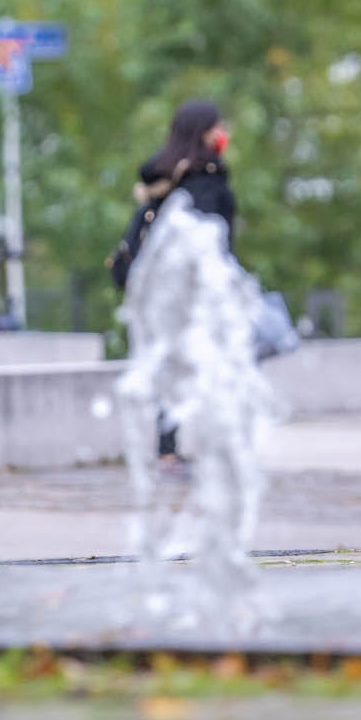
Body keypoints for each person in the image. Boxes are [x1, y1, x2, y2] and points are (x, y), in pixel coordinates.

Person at [119, 100, 237, 461]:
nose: (224, 134)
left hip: (157, 288)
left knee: (170, 363)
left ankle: (169, 448)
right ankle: (209, 446)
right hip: (194, 288)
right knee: (210, 361)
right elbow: (208, 238)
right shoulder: (204, 180)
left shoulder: (162, 176)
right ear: (204, 132)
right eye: (219, 126)